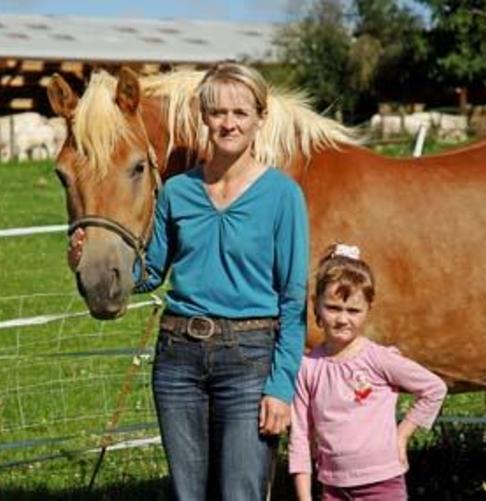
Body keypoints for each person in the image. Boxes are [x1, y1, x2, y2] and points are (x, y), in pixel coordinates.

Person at [70, 63, 308, 500]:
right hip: (178, 359)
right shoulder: (177, 191)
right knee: (187, 495)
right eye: (218, 112)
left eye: (240, 112)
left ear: (260, 118)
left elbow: (294, 301)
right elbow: (150, 275)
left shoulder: (282, 195)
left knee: (241, 492)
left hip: (250, 358)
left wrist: (280, 386)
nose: (229, 123)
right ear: (203, 117)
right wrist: (89, 263)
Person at [288, 244, 448, 500]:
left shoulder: (378, 359)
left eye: (353, 310)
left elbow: (434, 389)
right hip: (332, 487)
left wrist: (401, 436)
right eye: (333, 308)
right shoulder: (308, 367)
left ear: (368, 310)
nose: (342, 319)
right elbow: (299, 436)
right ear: (316, 305)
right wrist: (305, 497)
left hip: (383, 484)